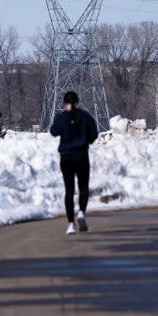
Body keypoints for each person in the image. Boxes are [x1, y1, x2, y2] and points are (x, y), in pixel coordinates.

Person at [50, 90, 99, 234]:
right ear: (77, 102)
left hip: (66, 156)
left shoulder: (61, 117)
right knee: (83, 187)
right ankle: (82, 212)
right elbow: (94, 134)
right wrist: (87, 140)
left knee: (69, 190)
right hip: (81, 155)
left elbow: (53, 132)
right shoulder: (85, 116)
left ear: (65, 103)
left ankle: (71, 224)